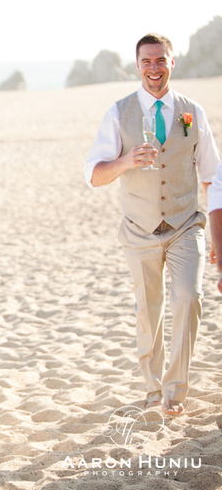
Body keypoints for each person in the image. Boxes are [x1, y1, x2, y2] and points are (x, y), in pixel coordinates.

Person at [84, 34, 219, 416]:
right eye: (146, 61)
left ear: (172, 62)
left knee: (189, 299)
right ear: (137, 65)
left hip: (184, 224)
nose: (154, 68)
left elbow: (211, 174)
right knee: (149, 311)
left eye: (160, 60)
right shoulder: (118, 112)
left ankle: (175, 390)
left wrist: (218, 234)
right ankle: (152, 387)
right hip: (138, 230)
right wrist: (126, 162)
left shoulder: (193, 112)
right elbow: (93, 175)